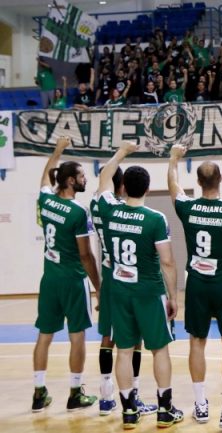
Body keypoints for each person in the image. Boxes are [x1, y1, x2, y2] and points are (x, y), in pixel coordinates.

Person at [97, 142, 183, 428]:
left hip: (119, 291)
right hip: (148, 291)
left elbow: (104, 178)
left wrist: (121, 152)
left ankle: (128, 411)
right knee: (159, 349)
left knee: (123, 350)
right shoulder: (155, 219)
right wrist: (174, 297)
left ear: (123, 188)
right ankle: (164, 409)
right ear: (147, 189)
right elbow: (167, 262)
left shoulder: (109, 210)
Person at [168, 145, 222, 428]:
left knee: (197, 342)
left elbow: (173, 187)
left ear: (199, 182)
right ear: (220, 180)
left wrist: (174, 159)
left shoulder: (187, 208)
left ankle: (201, 406)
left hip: (197, 285)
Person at [32, 136, 100, 413]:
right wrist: (99, 287)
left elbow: (44, 178)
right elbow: (86, 255)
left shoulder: (46, 200)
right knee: (77, 336)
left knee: (44, 335)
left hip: (49, 279)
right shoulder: (78, 212)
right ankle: (75, 393)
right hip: (73, 280)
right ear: (71, 181)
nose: (85, 179)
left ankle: (39, 393)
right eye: (82, 176)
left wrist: (57, 150)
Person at [90, 167, 157, 417]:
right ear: (122, 186)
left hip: (108, 274)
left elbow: (103, 183)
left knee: (107, 336)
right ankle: (133, 396)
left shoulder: (98, 206)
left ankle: (106, 397)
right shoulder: (124, 210)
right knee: (133, 339)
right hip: (127, 276)